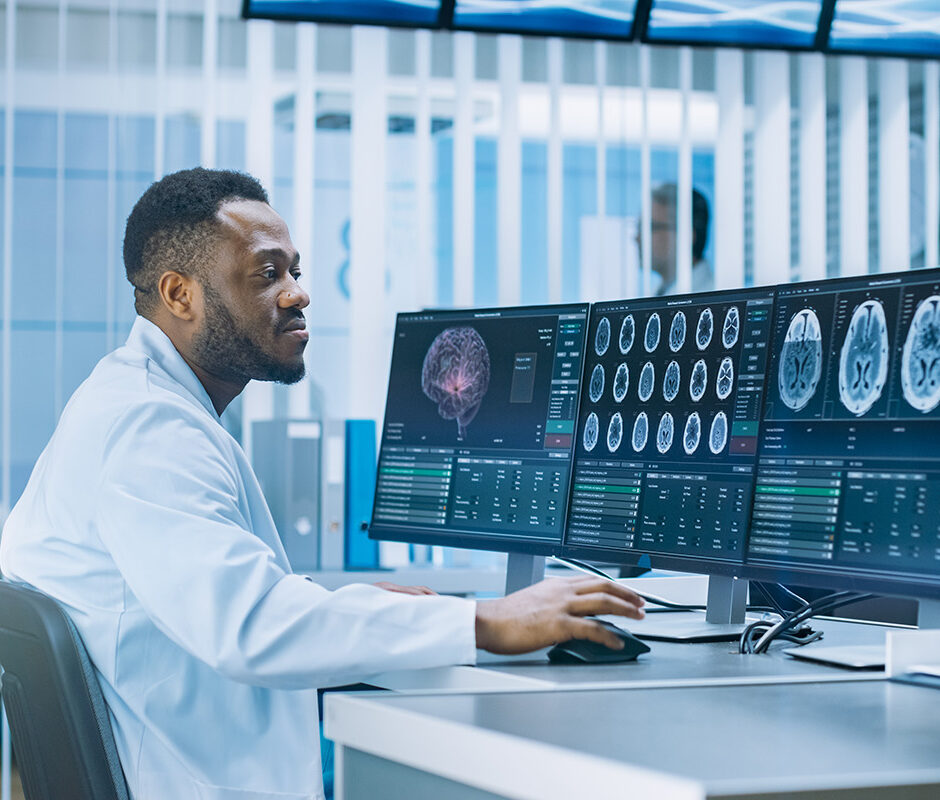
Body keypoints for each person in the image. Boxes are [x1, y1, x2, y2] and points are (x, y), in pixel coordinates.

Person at [0, 168, 645, 800]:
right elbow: (250, 625)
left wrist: (343, 606)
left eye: (295, 271)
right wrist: (486, 620)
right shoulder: (148, 428)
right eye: (267, 274)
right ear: (180, 295)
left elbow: (210, 591)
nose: (297, 294)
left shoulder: (139, 403)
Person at [640, 183, 713, 296]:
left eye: (651, 227)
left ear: (686, 237)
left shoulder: (712, 296)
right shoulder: (660, 292)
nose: (638, 237)